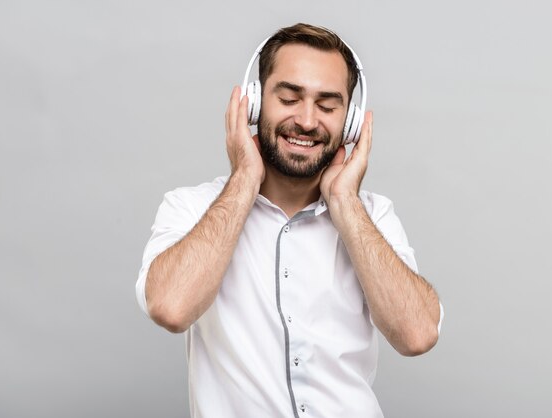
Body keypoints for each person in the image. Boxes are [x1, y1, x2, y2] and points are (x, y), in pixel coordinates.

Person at [136, 22, 443, 418]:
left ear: (349, 122)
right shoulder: (192, 208)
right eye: (289, 98)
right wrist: (245, 177)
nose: (308, 121)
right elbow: (171, 308)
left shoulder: (372, 216)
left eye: (328, 105)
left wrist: (344, 202)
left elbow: (417, 335)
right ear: (254, 101)